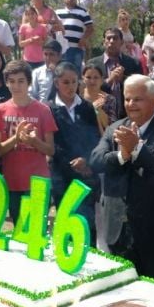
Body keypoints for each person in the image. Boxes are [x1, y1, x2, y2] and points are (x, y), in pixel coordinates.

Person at [90, 74, 154, 281]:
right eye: (127, 99)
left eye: (137, 99)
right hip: (117, 228)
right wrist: (122, 156)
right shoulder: (115, 128)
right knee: (119, 288)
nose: (130, 104)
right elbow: (96, 160)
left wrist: (137, 148)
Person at [0, 60, 57, 223]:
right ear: (6, 83)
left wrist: (34, 141)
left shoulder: (43, 110)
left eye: (21, 81)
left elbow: (51, 150)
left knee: (37, 230)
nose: (16, 86)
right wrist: (16, 138)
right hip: (12, 181)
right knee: (18, 229)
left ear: (29, 82)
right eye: (12, 81)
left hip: (38, 181)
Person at [47, 62, 101, 244]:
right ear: (56, 83)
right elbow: (53, 143)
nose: (71, 87)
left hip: (86, 173)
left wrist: (86, 160)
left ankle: (90, 254)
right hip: (61, 174)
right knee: (66, 217)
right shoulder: (49, 109)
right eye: (65, 82)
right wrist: (70, 163)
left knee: (87, 221)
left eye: (74, 82)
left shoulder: (86, 107)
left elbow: (95, 138)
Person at [86, 27, 143, 120]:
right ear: (103, 42)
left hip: (127, 116)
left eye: (115, 38)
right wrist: (109, 80)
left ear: (122, 42)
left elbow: (140, 89)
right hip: (100, 116)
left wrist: (123, 80)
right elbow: (89, 89)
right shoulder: (92, 64)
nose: (111, 41)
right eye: (108, 38)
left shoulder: (133, 63)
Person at [56, 0, 94, 72]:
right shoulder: (58, 12)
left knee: (75, 72)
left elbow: (90, 28)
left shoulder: (83, 12)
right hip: (61, 49)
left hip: (76, 48)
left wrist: (84, 39)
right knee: (61, 72)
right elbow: (52, 28)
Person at [82, 64, 117, 133]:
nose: (92, 81)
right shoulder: (78, 98)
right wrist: (92, 107)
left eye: (96, 77)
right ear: (83, 79)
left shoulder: (109, 99)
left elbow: (111, 126)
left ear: (101, 79)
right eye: (88, 77)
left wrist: (99, 110)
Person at [19, 6, 48, 70]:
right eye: (28, 14)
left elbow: (46, 44)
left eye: (32, 13)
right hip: (27, 60)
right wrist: (31, 40)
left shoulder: (43, 27)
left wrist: (39, 41)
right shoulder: (23, 27)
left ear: (36, 14)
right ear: (26, 16)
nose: (31, 16)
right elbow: (20, 44)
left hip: (41, 59)